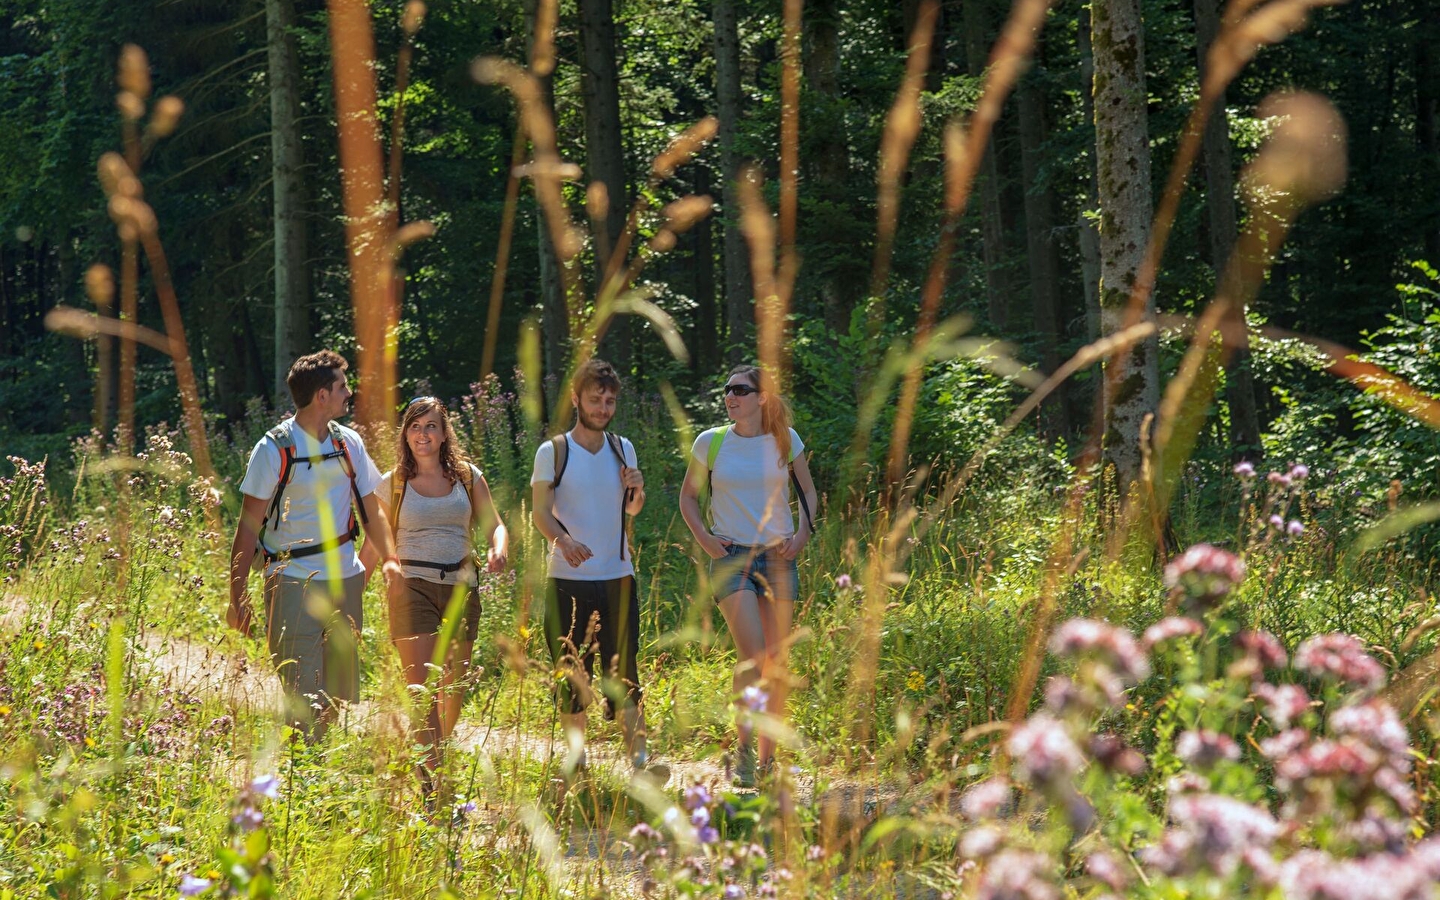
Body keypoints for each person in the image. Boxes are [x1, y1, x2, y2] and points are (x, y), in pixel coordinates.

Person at [227, 350, 402, 737]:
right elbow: (247, 529)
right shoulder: (273, 449)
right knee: (303, 693)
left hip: (345, 579)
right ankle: (302, 775)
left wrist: (389, 559)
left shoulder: (349, 443)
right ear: (321, 395)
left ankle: (312, 766)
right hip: (291, 581)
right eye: (341, 385)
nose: (349, 392)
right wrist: (236, 597)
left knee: (337, 692)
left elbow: (371, 511)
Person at [361, 396, 509, 796]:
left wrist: (499, 546)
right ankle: (432, 788)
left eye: (430, 426)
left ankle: (434, 760)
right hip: (411, 588)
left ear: (444, 434)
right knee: (423, 692)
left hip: (462, 587)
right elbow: (374, 544)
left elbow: (495, 524)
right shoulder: (391, 483)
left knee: (453, 692)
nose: (422, 434)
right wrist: (352, 595)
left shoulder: (467, 477)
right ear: (405, 434)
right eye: (414, 426)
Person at [679, 365, 818, 787]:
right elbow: (687, 496)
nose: (730, 396)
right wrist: (704, 538)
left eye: (740, 390)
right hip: (730, 557)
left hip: (778, 558)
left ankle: (766, 759)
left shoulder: (785, 440)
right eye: (727, 390)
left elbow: (809, 492)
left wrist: (801, 536)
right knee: (756, 657)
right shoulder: (711, 442)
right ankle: (741, 750)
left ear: (762, 397)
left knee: (773, 663)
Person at [531, 358, 661, 780]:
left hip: (618, 577)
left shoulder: (623, 448)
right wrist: (563, 541)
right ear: (576, 399)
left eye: (609, 401)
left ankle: (640, 765)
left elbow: (633, 510)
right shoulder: (554, 451)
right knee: (572, 675)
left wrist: (637, 489)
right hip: (567, 581)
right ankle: (576, 763)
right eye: (595, 399)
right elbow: (540, 513)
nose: (603, 408)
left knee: (624, 672)